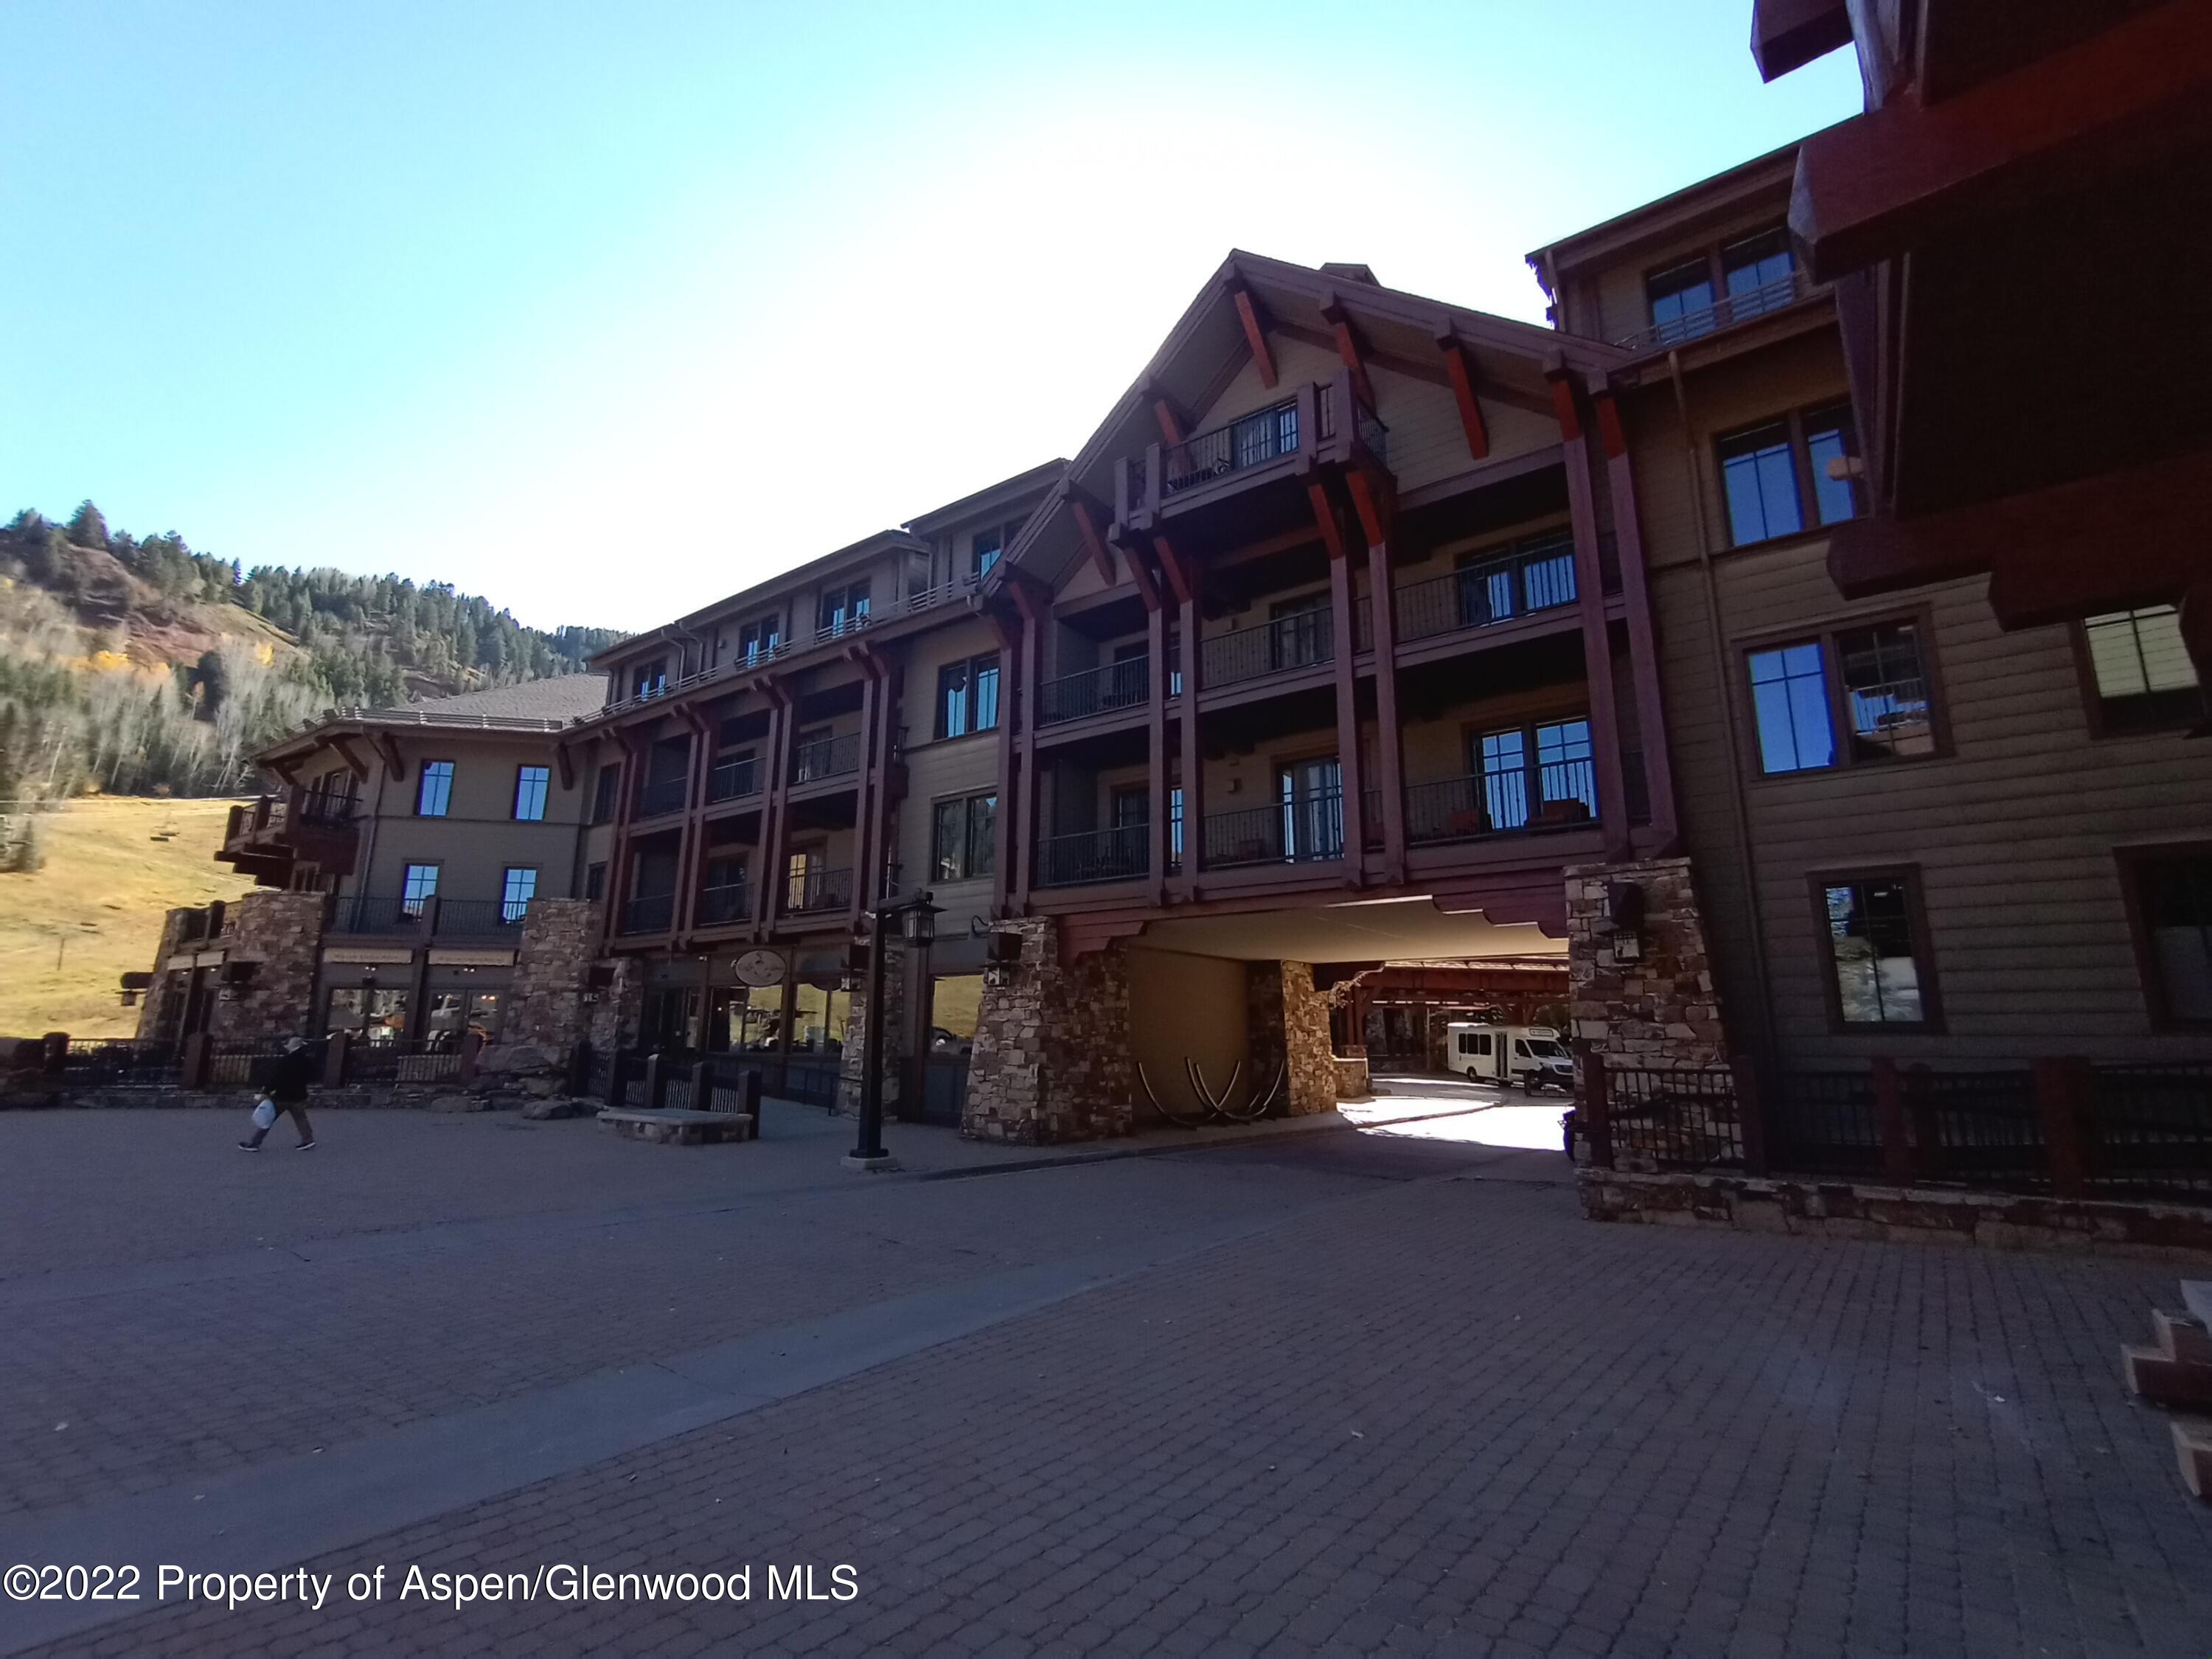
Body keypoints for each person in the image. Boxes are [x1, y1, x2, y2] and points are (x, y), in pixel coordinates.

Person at [239, 1036, 318, 1151]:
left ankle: (254, 1143)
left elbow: (275, 1078)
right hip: (299, 1095)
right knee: (301, 1119)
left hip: (282, 1095)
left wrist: (266, 1091)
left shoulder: (285, 1061)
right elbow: (312, 1076)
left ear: (291, 1046)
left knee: (268, 1119)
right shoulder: (306, 1060)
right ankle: (308, 1140)